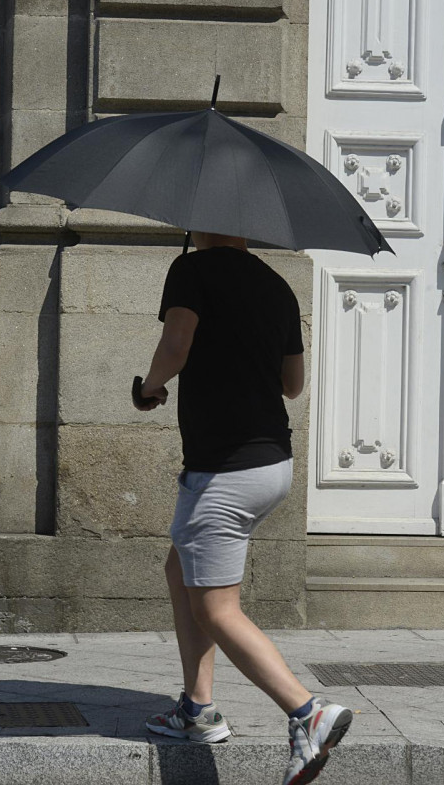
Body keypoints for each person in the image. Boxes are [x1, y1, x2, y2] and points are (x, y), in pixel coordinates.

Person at [135, 232, 352, 785]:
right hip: (270, 464)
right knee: (180, 568)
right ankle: (197, 708)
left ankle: (308, 713)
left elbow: (176, 343)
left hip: (224, 470)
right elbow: (293, 385)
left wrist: (150, 388)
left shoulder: (192, 271)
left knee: (216, 608)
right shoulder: (278, 286)